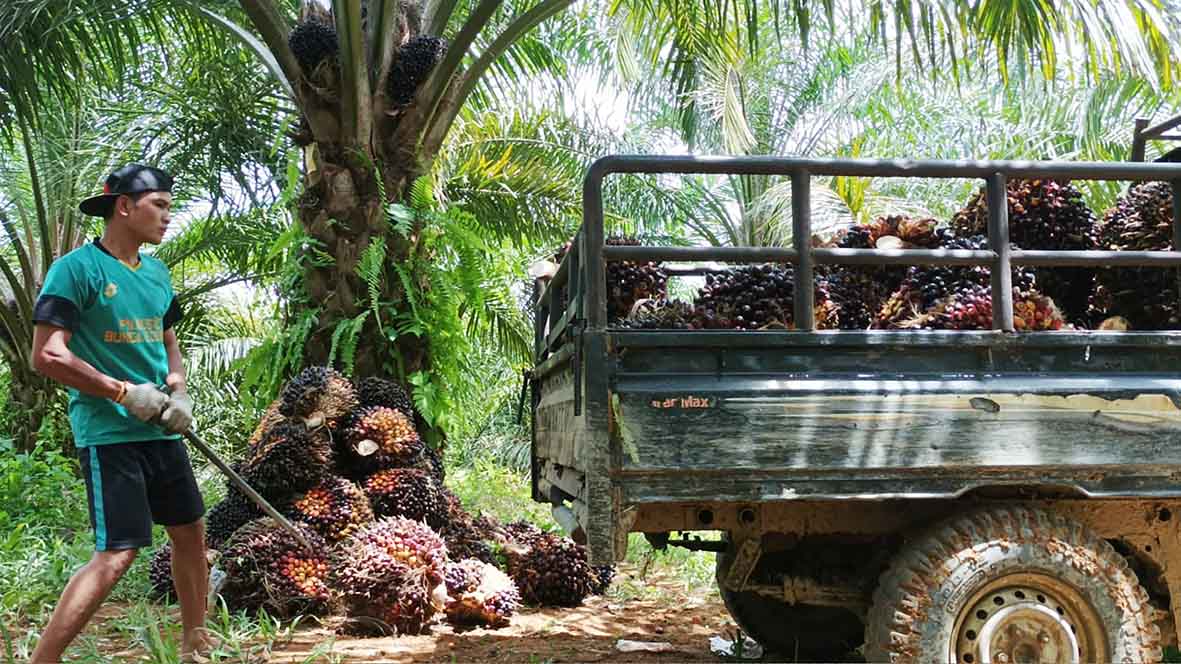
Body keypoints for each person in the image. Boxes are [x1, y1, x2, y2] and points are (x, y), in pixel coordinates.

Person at [28, 164, 210, 662]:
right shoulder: (77, 270)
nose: (169, 217)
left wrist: (179, 391)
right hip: (110, 433)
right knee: (118, 553)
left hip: (162, 431)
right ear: (124, 206)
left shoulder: (157, 273)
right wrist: (123, 393)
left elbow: (168, 342)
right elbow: (46, 355)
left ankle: (196, 641)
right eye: (161, 205)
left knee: (191, 533)